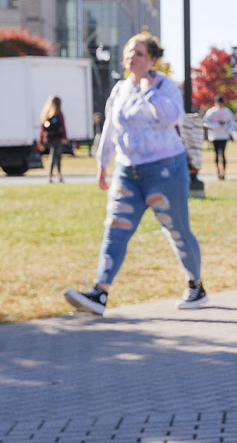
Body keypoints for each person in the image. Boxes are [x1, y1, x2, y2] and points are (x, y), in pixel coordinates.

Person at [63, 33, 206, 316]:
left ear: (152, 59)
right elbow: (111, 129)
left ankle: (196, 285)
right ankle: (100, 293)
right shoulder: (119, 90)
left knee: (177, 230)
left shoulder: (164, 86)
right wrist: (102, 164)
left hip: (166, 169)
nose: (132, 57)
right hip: (128, 170)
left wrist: (149, 89)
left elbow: (171, 117)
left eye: (139, 53)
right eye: (129, 52)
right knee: (115, 228)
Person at [203, 96, 236, 180]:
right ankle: (218, 171)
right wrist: (215, 126)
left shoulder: (226, 111)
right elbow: (205, 122)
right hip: (214, 136)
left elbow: (231, 122)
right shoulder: (211, 112)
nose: (220, 105)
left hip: (224, 135)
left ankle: (224, 172)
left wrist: (229, 129)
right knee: (217, 154)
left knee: (223, 154)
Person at [39, 95, 67, 183]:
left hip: (50, 139)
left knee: (53, 156)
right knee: (57, 157)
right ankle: (58, 175)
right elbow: (63, 126)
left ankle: (51, 176)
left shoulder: (46, 113)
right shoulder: (58, 113)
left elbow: (42, 128)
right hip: (58, 138)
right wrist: (65, 137)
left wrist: (41, 140)